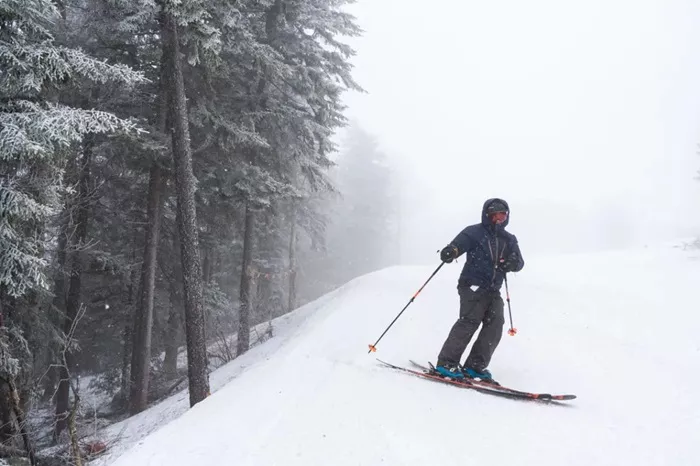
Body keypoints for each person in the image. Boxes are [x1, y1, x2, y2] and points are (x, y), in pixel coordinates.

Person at [435, 198, 524, 381]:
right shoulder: (475, 232)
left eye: (502, 214)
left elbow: (519, 262)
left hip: (493, 289)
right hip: (472, 285)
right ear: (487, 215)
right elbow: (458, 245)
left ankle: (475, 366)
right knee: (469, 321)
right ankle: (447, 363)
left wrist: (512, 263)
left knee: (496, 324)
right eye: (495, 214)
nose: (499, 218)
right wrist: (451, 251)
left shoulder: (509, 239)